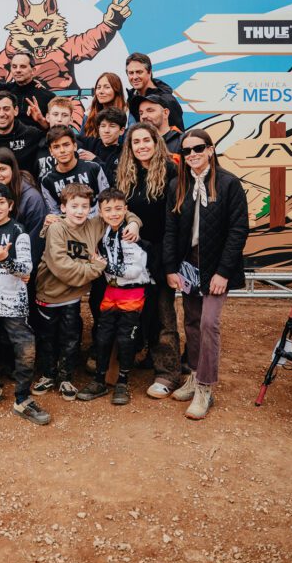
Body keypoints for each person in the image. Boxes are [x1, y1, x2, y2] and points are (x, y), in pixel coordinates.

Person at [164, 128, 249, 420]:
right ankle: (194, 374)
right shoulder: (178, 185)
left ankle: (205, 387)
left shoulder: (229, 183)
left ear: (210, 150)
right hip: (189, 264)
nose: (192, 155)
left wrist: (223, 273)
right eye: (186, 151)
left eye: (198, 148)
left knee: (208, 323)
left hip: (216, 266)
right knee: (191, 320)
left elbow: (238, 230)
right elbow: (171, 230)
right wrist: (170, 267)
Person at [0, 182, 50, 425]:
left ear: (10, 205)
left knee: (24, 346)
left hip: (13, 303)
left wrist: (6, 259)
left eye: (1, 202)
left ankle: (23, 398)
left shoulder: (19, 232)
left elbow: (26, 269)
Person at [117, 123, 181, 397]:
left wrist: (168, 261)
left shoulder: (171, 171)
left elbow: (175, 219)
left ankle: (168, 373)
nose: (142, 146)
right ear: (129, 147)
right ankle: (143, 358)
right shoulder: (124, 174)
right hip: (134, 255)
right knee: (137, 311)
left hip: (162, 252)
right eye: (136, 142)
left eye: (146, 140)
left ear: (157, 143)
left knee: (164, 314)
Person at [77, 188, 152, 406]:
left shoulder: (130, 235)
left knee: (126, 337)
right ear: (100, 213)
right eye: (108, 210)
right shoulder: (105, 231)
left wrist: (103, 265)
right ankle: (99, 379)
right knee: (103, 335)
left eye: (118, 209)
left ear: (126, 210)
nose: (114, 213)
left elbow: (134, 271)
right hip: (111, 290)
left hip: (133, 291)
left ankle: (122, 382)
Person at [34, 184, 109, 400]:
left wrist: (133, 223)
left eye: (84, 206)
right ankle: (48, 375)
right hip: (49, 294)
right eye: (74, 206)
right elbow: (61, 267)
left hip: (73, 296)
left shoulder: (93, 225)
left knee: (70, 336)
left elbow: (119, 212)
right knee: (48, 337)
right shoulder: (56, 228)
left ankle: (66, 377)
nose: (79, 211)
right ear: (63, 207)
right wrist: (95, 268)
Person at [0, 148, 46, 264]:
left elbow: (36, 242)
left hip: (22, 264)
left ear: (13, 169)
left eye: (2, 169)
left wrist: (24, 269)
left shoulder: (31, 199)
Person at [40, 126, 109, 215]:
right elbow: (54, 213)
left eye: (66, 145)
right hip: (67, 223)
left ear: (75, 146)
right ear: (51, 151)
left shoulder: (93, 168)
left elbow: (107, 199)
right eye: (56, 147)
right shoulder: (47, 180)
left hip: (96, 220)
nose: (62, 150)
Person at [125, 52, 184, 131]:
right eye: (131, 73)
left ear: (149, 72)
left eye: (139, 72)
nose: (135, 77)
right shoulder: (131, 98)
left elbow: (178, 134)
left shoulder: (167, 100)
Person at [78, 106, 127, 186]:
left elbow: (114, 181)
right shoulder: (91, 143)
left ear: (121, 130)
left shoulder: (125, 153)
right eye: (103, 126)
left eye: (112, 126)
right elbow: (68, 136)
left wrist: (95, 160)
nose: (106, 131)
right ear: (99, 128)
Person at [6, 53, 56, 129]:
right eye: (14, 67)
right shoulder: (4, 94)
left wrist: (41, 119)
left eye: (23, 66)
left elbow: (56, 130)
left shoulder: (48, 97)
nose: (18, 70)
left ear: (33, 70)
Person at [35, 96, 76, 180]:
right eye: (55, 114)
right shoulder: (36, 144)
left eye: (65, 115)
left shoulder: (80, 144)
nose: (59, 119)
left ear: (71, 119)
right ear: (47, 117)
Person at [81, 72, 130, 140]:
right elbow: (81, 142)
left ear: (116, 90)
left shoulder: (127, 116)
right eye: (98, 87)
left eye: (107, 87)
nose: (101, 91)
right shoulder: (89, 115)